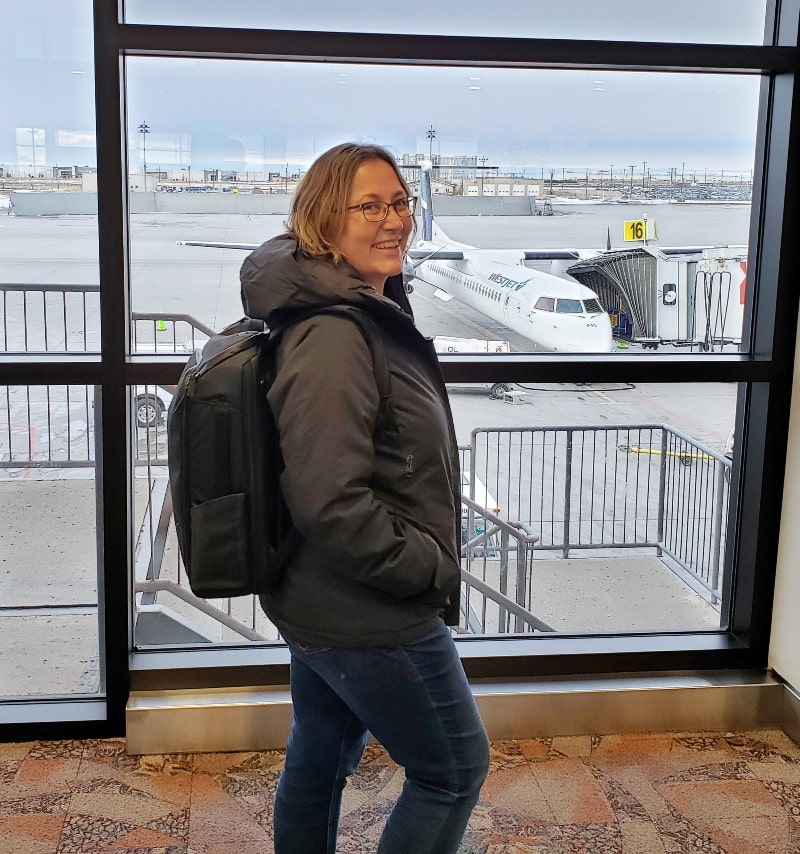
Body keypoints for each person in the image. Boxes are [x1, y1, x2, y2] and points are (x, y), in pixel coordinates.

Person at [240, 142, 490, 853]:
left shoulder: (355, 305)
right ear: (324, 222)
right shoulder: (332, 334)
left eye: (401, 202)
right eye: (371, 206)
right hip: (368, 608)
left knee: (321, 754)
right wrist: (428, 570)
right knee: (452, 768)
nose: (395, 221)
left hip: (322, 597)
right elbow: (330, 499)